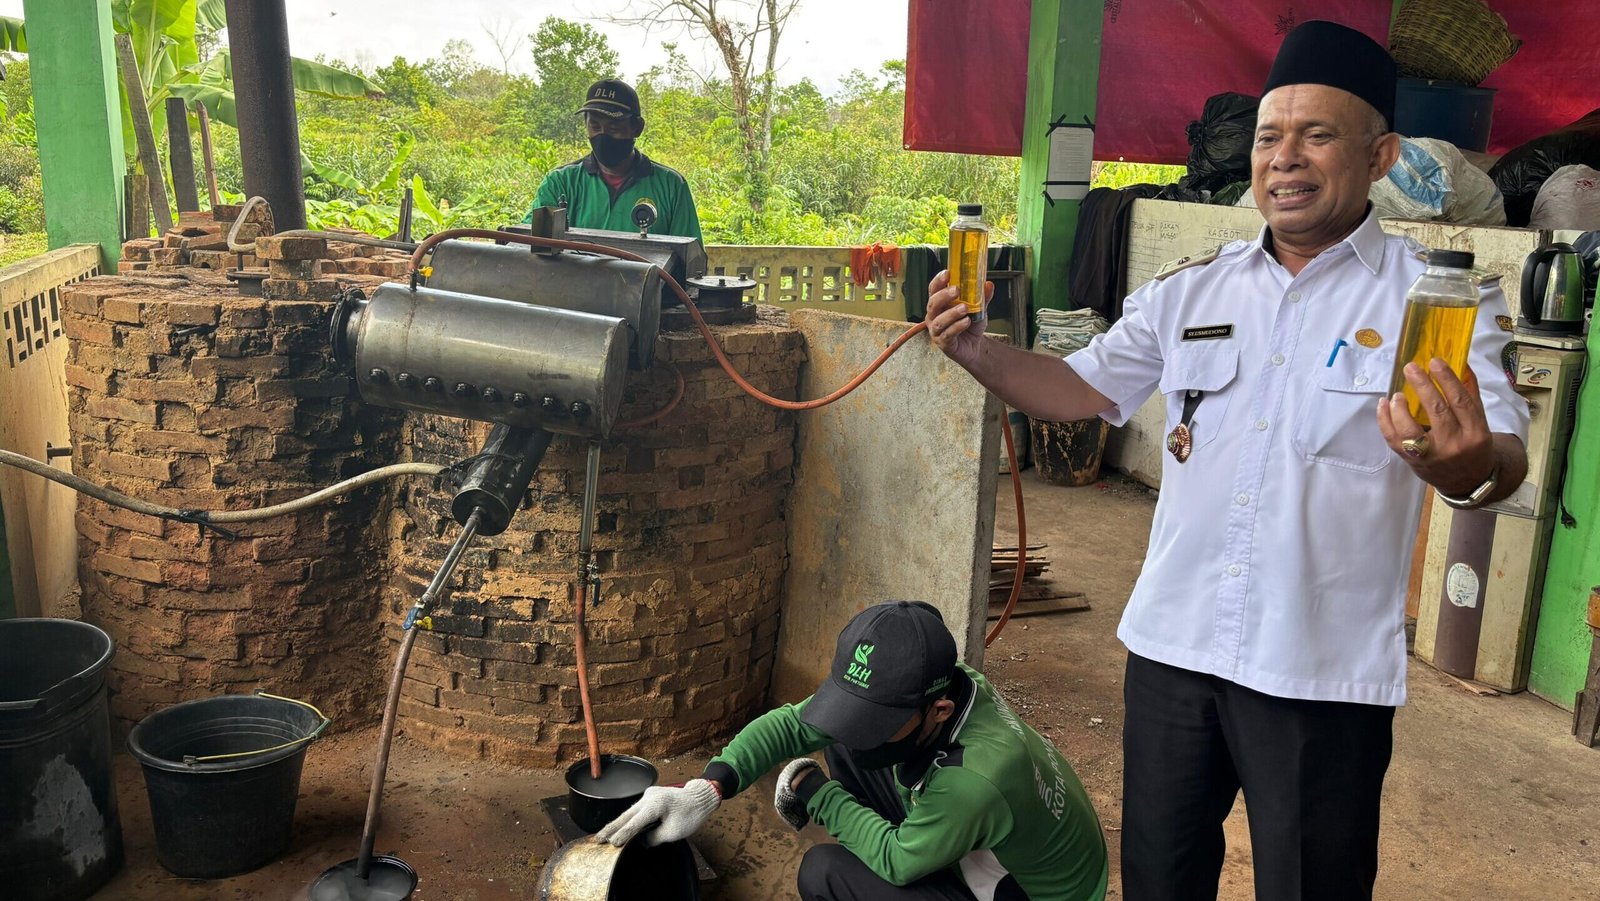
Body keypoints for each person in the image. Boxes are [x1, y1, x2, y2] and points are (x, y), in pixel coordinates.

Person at [924, 20, 1529, 901]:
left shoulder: (1437, 296)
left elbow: (1499, 463)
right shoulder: (1192, 287)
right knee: (1161, 882)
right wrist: (980, 353)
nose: (1285, 158)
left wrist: (1459, 466)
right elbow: (1080, 389)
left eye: (1317, 135)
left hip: (1319, 673)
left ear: (1381, 154)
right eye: (1268, 137)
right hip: (1174, 650)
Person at [598, 601, 1108, 901]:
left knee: (824, 873)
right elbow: (792, 726)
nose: (863, 728)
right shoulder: (957, 684)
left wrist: (817, 794)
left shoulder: (974, 780)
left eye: (881, 719)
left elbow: (897, 861)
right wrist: (706, 788)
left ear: (940, 710)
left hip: (1019, 894)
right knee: (849, 745)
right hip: (994, 843)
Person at [527, 77, 703, 240]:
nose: (603, 136)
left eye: (614, 128)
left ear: (637, 128)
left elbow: (689, 260)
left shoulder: (671, 186)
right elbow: (526, 243)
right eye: (595, 126)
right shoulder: (559, 184)